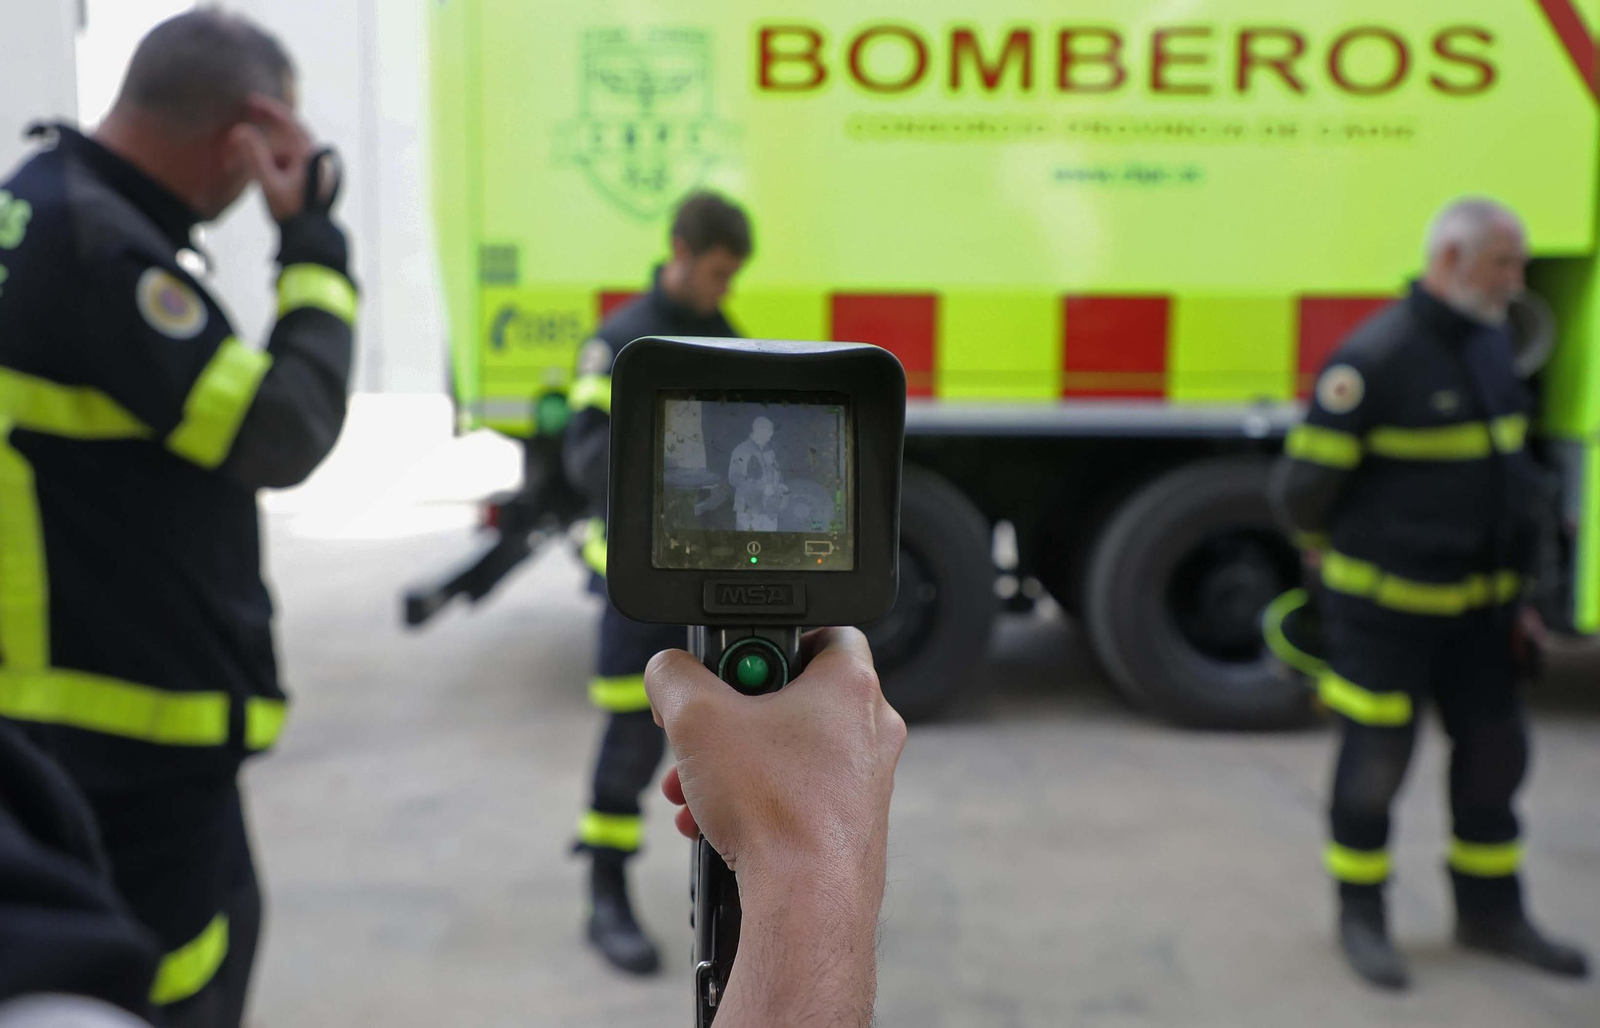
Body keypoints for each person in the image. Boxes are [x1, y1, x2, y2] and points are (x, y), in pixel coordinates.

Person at [0, 627, 905, 1028]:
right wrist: (819, 864)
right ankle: (603, 889)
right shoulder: (629, 332)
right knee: (623, 774)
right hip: (634, 629)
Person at [0, 10, 357, 1025]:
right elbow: (281, 430)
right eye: (274, 146)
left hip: (71, 712)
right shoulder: (104, 249)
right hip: (124, 736)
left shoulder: (37, 207)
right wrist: (313, 242)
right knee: (177, 976)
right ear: (248, 129)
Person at [1271, 198, 1590, 990]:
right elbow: (1301, 491)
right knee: (1375, 765)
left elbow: (1515, 476)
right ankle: (1363, 916)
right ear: (1452, 259)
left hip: (1483, 616)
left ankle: (1491, 914)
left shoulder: (1489, 344)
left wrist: (1526, 591)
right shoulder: (1375, 359)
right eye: (1504, 264)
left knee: (1494, 760)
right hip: (1385, 617)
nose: (1517, 282)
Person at [561, 190, 751, 974]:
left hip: (713, 587)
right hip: (639, 594)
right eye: (715, 271)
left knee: (733, 752)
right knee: (629, 750)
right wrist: (678, 476)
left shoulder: (726, 340)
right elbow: (580, 460)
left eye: (730, 276)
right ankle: (604, 896)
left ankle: (736, 909)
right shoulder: (621, 341)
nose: (722, 289)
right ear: (679, 248)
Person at [729, 416, 784, 530]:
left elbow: (777, 474)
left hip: (769, 510)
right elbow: (734, 477)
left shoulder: (769, 451)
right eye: (769, 432)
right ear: (758, 430)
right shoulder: (742, 450)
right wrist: (760, 487)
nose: (770, 436)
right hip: (749, 511)